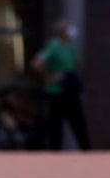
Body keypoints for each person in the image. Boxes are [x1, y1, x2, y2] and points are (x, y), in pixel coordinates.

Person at [31, 18, 90, 151]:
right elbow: (37, 63)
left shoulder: (72, 46)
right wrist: (49, 77)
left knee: (78, 122)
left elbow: (77, 64)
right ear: (61, 31)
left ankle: (86, 151)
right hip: (56, 91)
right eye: (68, 28)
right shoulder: (53, 45)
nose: (72, 31)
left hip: (70, 89)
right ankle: (55, 153)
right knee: (55, 124)